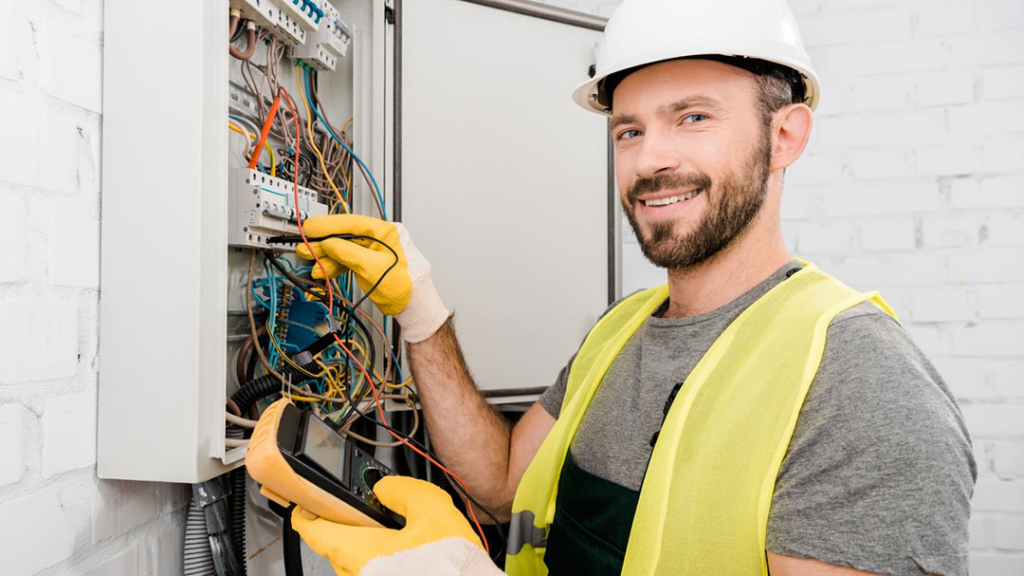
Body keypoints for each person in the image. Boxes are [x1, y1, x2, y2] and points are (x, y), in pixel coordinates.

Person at [288, 0, 976, 574]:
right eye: (629, 130)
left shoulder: (861, 383)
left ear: (786, 135)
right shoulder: (619, 331)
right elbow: (503, 484)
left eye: (694, 117)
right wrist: (421, 314)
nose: (650, 160)